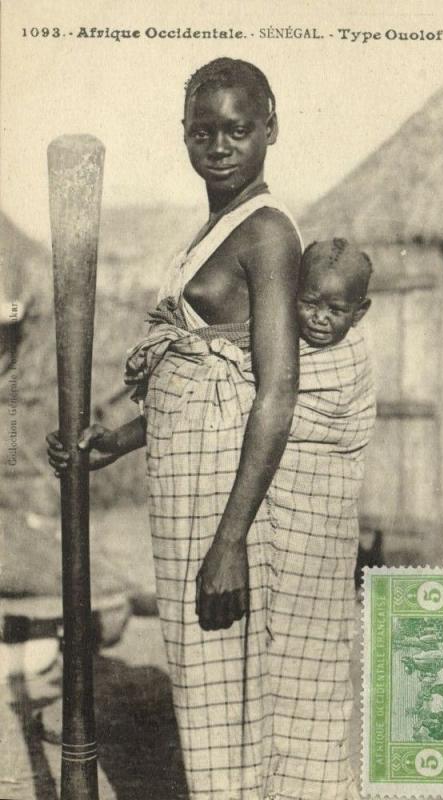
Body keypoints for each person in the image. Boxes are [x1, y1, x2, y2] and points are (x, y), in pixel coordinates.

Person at [47, 58, 375, 800]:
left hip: (230, 498)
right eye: (203, 131)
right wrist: (112, 445)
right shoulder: (217, 226)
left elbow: (275, 392)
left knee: (228, 684)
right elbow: (199, 374)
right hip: (192, 485)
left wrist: (230, 543)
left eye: (237, 129)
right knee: (205, 683)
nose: (219, 145)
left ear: (271, 129)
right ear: (185, 136)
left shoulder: (266, 233)